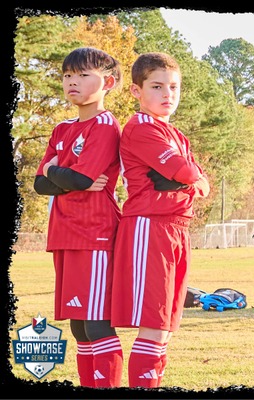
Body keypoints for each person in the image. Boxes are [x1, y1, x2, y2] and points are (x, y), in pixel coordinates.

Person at [112, 52, 212, 388]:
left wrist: (188, 179)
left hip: (178, 227)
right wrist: (189, 179)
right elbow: (188, 174)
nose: (167, 94)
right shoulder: (141, 127)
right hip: (150, 225)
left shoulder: (176, 135)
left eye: (173, 87)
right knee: (154, 323)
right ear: (136, 91)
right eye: (157, 86)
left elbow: (200, 182)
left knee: (167, 325)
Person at [32, 47, 123, 388]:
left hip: (94, 235)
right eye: (68, 75)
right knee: (78, 326)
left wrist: (54, 170)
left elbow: (81, 180)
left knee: (97, 322)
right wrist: (61, 175)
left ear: (108, 83)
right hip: (63, 234)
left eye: (84, 75)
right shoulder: (61, 128)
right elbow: (40, 185)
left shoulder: (105, 125)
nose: (73, 81)